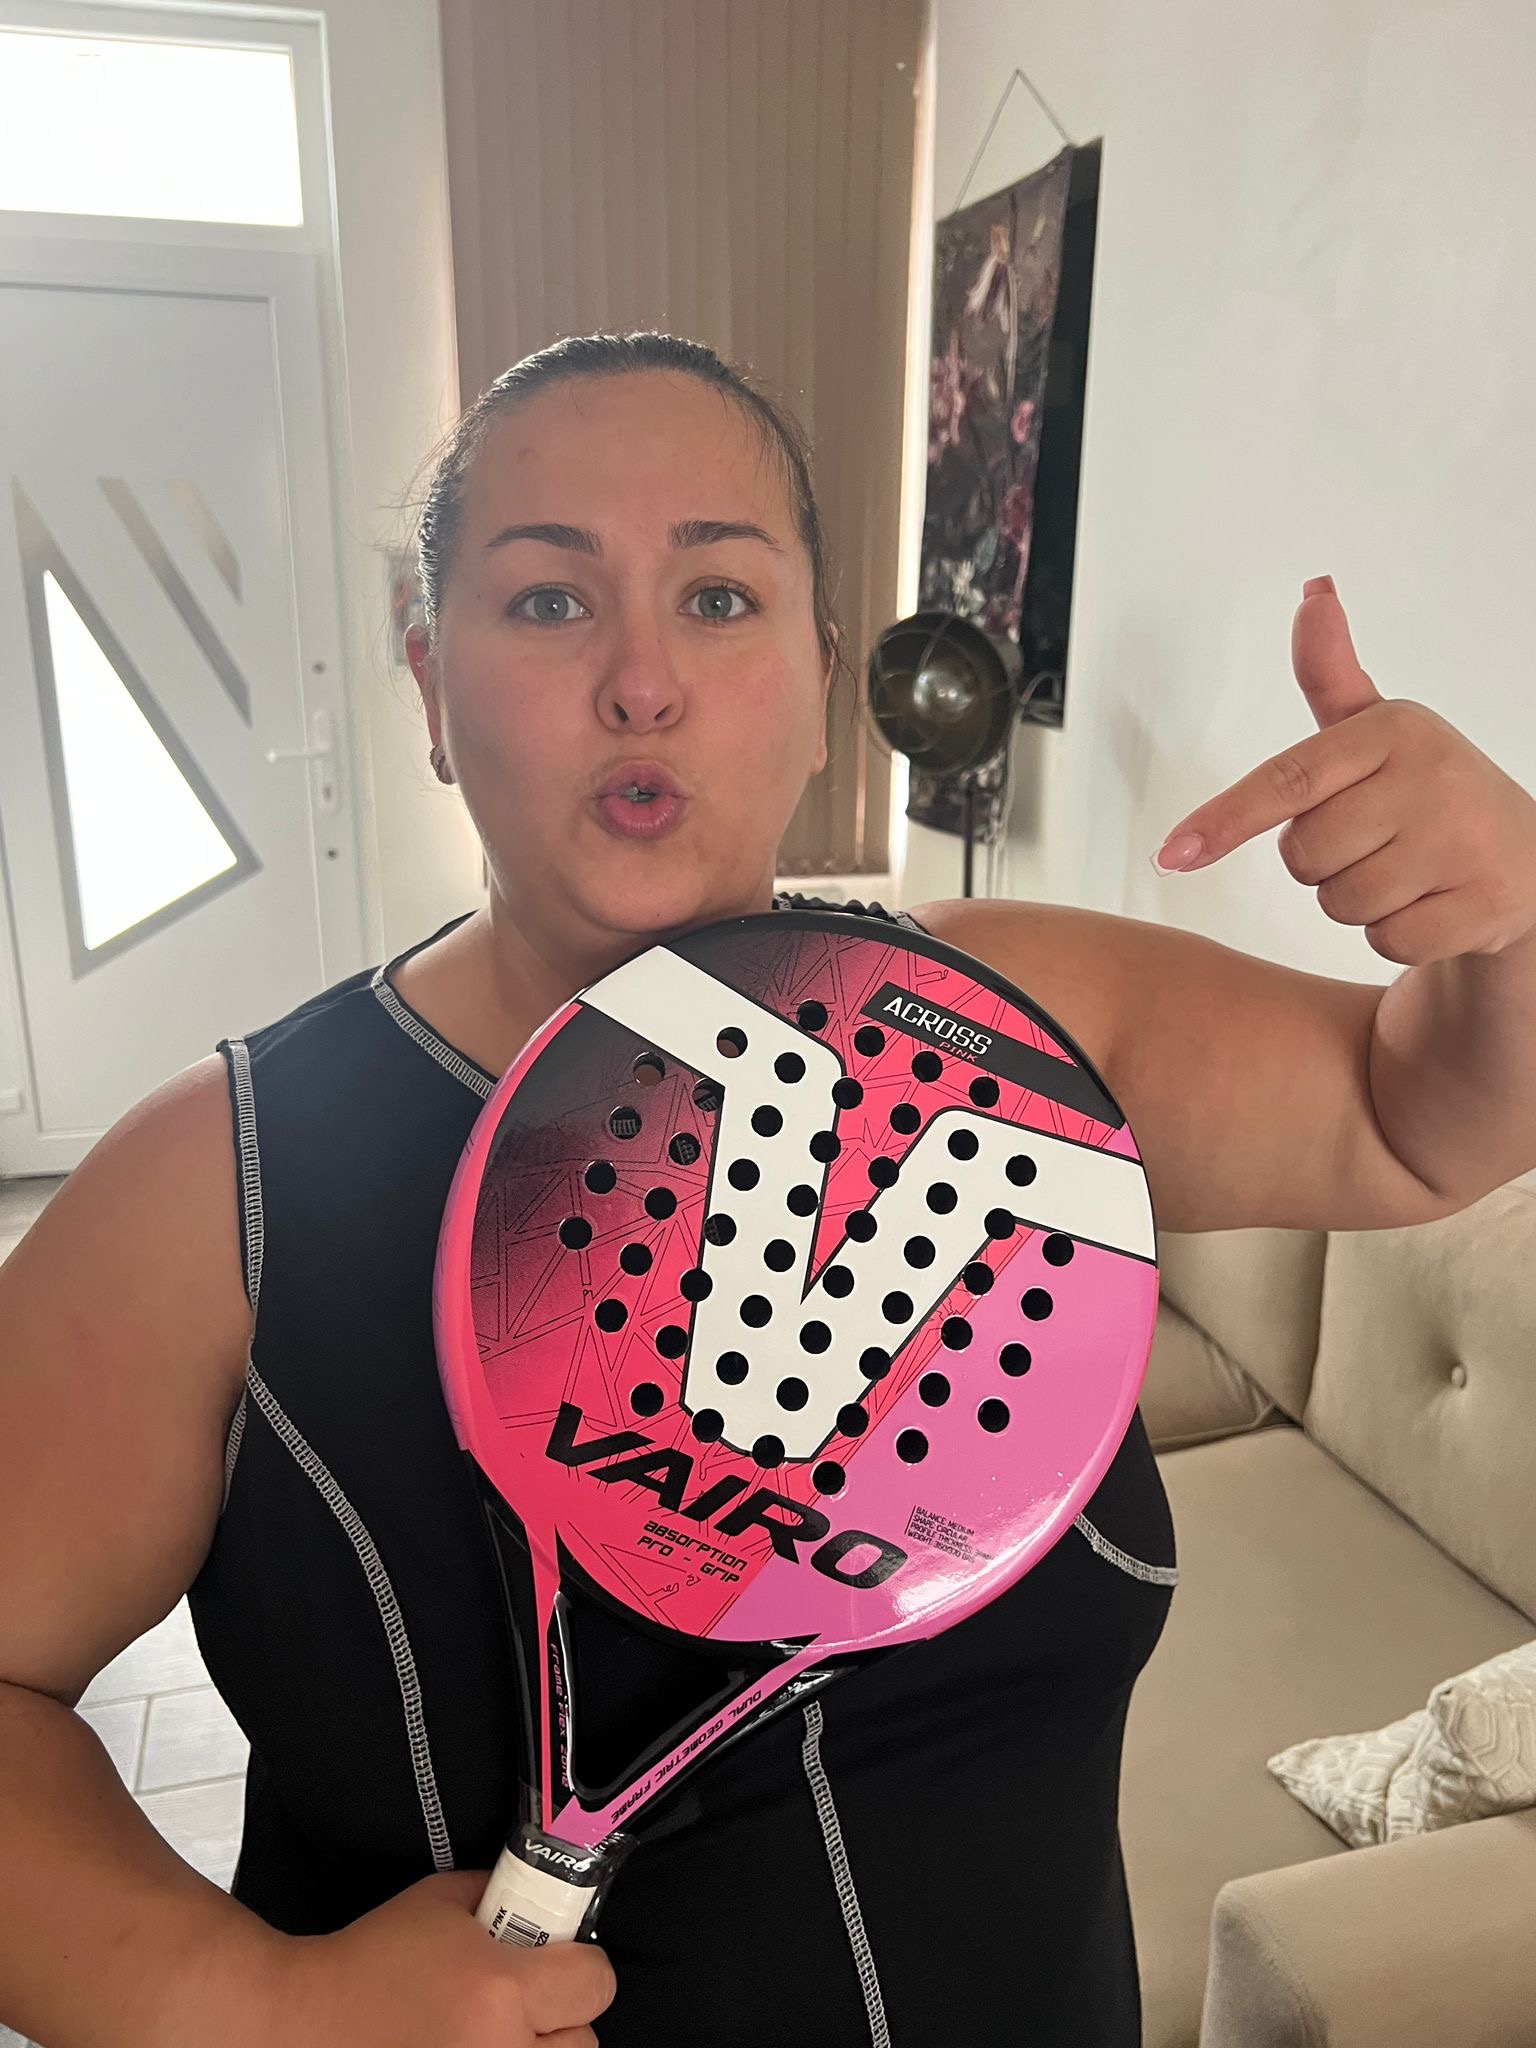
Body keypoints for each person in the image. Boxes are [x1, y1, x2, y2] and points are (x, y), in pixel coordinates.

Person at [2, 329, 1531, 2048]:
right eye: (549, 601)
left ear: (818, 681)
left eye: (718, 599)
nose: (643, 681)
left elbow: (1416, 1122)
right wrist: (260, 2006)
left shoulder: (1020, 1031)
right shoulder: (222, 1186)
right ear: (429, 687)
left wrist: (1508, 918)